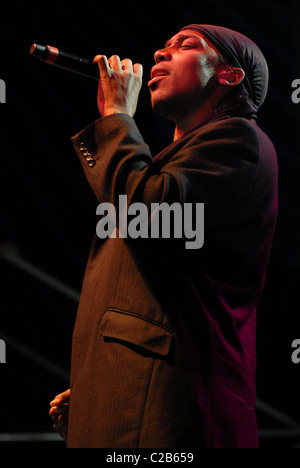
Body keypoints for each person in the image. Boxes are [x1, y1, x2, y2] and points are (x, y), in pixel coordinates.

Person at [49, 24, 278, 448]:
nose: (159, 52)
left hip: (176, 408)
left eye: (185, 45)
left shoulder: (241, 140)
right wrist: (102, 388)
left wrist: (117, 116)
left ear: (229, 76)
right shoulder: (164, 166)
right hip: (135, 396)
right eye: (164, 44)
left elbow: (149, 214)